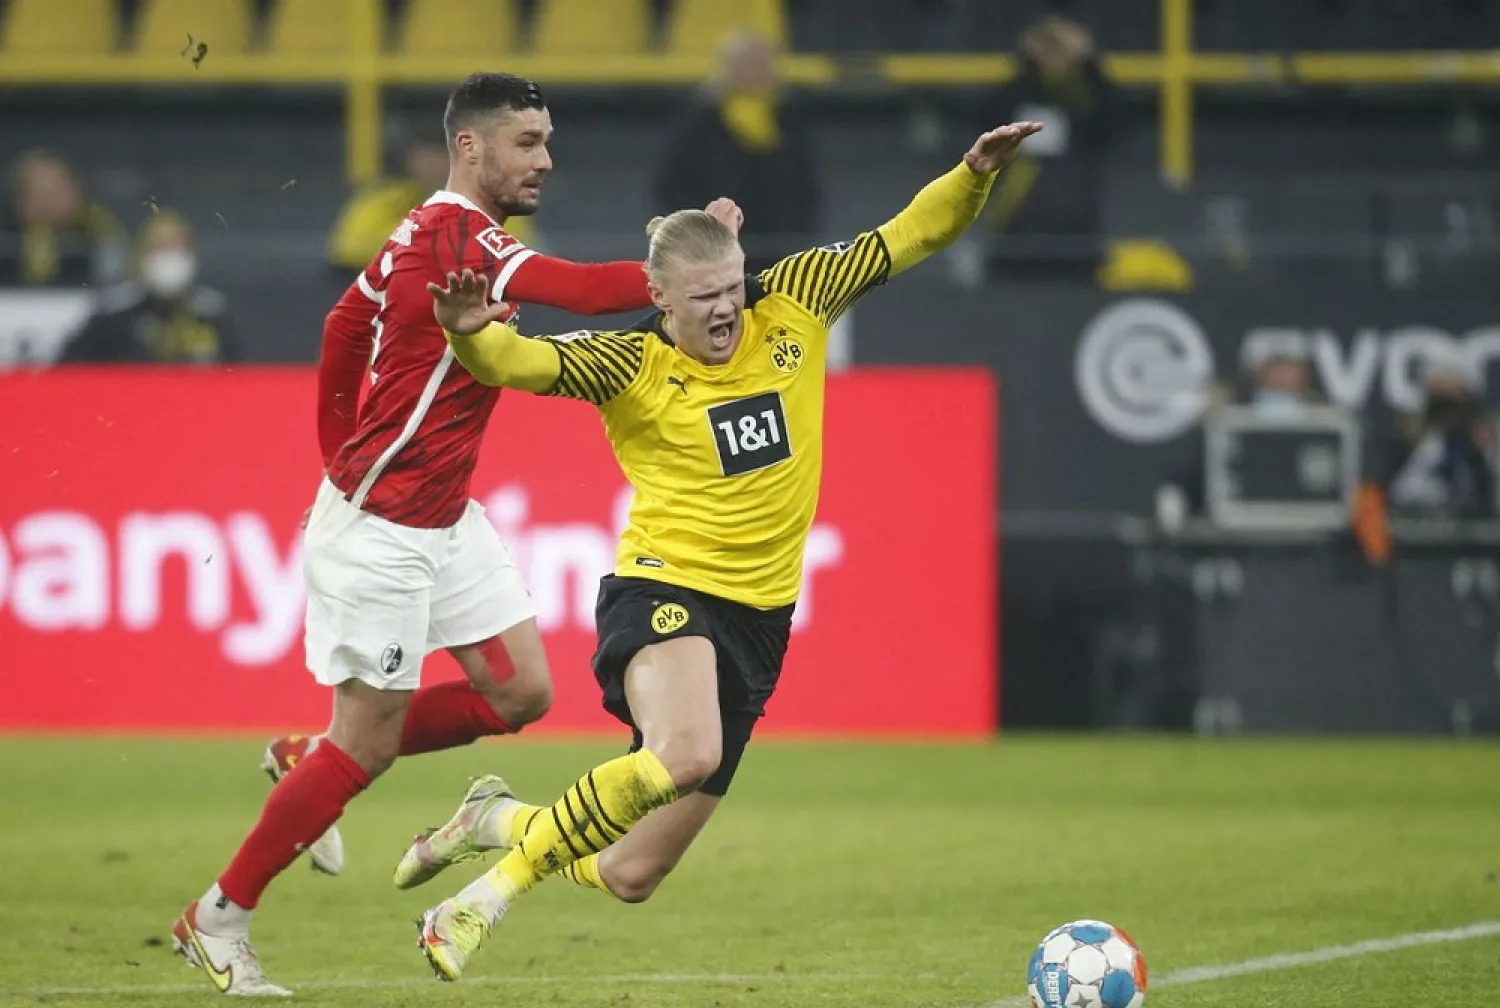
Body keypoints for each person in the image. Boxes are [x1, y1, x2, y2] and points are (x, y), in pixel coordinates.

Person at [404, 120, 1043, 982]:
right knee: (687, 752)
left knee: (632, 874)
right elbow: (512, 361)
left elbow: (909, 234)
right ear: (660, 299)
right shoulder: (627, 363)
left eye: (732, 288)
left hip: (761, 622)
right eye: (702, 297)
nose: (725, 310)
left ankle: (496, 820)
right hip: (664, 591)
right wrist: (466, 330)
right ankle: (484, 897)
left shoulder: (798, 297)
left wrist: (971, 175)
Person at [171, 71, 739, 997]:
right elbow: (584, 293)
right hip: (385, 530)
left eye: (548, 139)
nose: (545, 159)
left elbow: (341, 327)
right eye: (527, 142)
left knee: (521, 694)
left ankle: (304, 760)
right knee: (370, 746)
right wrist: (700, 268)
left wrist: (338, 457)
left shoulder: (418, 233)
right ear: (469, 146)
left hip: (442, 516)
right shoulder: (454, 234)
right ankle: (218, 916)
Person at [652, 28, 820, 274]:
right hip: (713, 253)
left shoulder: (788, 118)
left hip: (780, 252)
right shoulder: (698, 121)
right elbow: (672, 185)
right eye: (747, 63)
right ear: (726, 68)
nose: (756, 71)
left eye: (762, 63)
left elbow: (806, 185)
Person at [326, 127, 539, 275]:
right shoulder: (382, 200)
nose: (436, 163)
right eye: (427, 154)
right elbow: (349, 248)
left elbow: (514, 252)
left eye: (446, 153)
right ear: (410, 159)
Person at [56, 210, 240, 364]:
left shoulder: (212, 314)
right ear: (140, 256)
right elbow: (70, 373)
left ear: (192, 254)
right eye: (158, 248)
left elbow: (239, 374)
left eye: (175, 247)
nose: (168, 257)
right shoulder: (112, 314)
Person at [0, 148, 127, 287]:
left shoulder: (101, 232)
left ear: (77, 192)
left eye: (55, 192)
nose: (47, 202)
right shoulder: (8, 241)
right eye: (38, 193)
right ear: (19, 200)